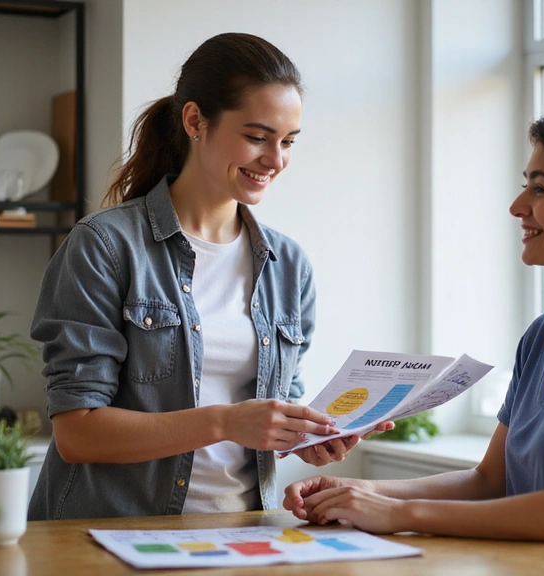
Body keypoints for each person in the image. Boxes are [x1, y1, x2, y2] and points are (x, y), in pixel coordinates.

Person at [283, 96, 544, 571]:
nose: (517, 206)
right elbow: (491, 479)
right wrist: (363, 491)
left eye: (540, 189)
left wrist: (399, 513)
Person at [28, 32, 389, 521]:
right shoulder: (106, 246)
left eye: (287, 142)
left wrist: (307, 438)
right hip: (112, 534)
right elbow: (77, 432)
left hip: (239, 534)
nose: (275, 160)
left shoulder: (288, 265)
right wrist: (224, 422)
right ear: (195, 120)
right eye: (257, 137)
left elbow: (272, 410)